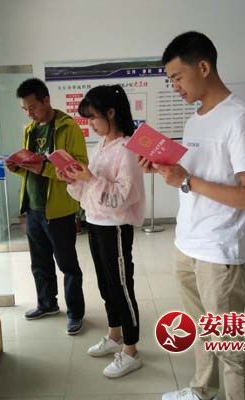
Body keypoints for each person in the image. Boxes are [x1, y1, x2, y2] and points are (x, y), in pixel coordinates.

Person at [138, 32, 245, 400]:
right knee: (200, 329)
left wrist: (187, 180)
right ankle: (201, 390)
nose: (175, 86)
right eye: (170, 80)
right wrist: (165, 169)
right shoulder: (195, 120)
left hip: (219, 250)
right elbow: (193, 178)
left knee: (229, 344)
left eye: (177, 77)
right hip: (188, 242)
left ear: (204, 67)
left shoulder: (239, 118)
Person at [60, 85, 146, 378]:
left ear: (111, 112)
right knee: (106, 285)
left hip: (116, 228)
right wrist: (73, 179)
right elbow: (89, 191)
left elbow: (122, 197)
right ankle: (114, 334)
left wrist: (90, 178)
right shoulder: (101, 147)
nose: (90, 124)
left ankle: (131, 350)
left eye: (93, 117)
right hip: (96, 224)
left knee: (121, 287)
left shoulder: (128, 149)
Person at [7, 78, 88, 335]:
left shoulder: (68, 127)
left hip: (59, 209)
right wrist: (17, 168)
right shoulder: (30, 130)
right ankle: (47, 304)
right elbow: (31, 168)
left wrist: (44, 168)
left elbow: (79, 168)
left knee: (67, 265)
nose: (29, 114)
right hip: (33, 207)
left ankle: (75, 313)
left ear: (46, 100)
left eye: (32, 107)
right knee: (39, 263)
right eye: (25, 109)